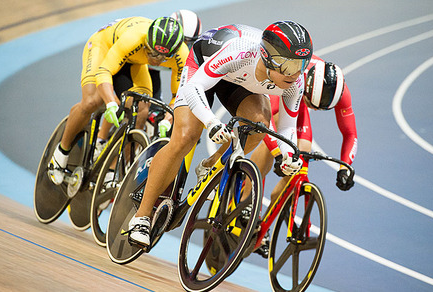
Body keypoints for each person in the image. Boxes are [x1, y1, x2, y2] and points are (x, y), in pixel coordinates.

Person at [127, 21, 314, 247]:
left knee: (259, 124)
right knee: (186, 137)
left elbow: (286, 127)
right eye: (287, 65)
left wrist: (288, 155)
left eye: (301, 64)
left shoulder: (296, 82)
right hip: (204, 68)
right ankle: (141, 217)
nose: (295, 73)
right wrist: (211, 122)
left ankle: (210, 165)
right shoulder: (242, 53)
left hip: (240, 82)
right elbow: (194, 88)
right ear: (267, 57)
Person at [48, 16, 188, 185]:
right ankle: (60, 153)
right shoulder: (134, 38)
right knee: (92, 101)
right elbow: (104, 71)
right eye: (152, 53)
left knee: (142, 109)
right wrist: (111, 102)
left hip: (135, 60)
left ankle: (110, 171)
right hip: (104, 47)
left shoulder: (182, 55)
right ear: (148, 42)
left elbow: (178, 95)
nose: (156, 60)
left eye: (162, 58)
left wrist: (168, 118)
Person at [248, 55, 358, 257]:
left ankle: (267, 219)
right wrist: (277, 153)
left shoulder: (340, 91)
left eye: (322, 109)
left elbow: (350, 134)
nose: (315, 109)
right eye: (312, 104)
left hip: (299, 98)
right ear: (306, 88)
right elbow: (267, 122)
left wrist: (345, 167)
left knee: (301, 155)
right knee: (274, 132)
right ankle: (248, 195)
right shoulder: (292, 75)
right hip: (277, 90)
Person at [92, 10, 203, 158]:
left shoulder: (180, 53)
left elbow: (180, 90)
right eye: (183, 41)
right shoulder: (155, 41)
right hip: (144, 65)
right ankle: (101, 137)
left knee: (152, 109)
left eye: (190, 42)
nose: (184, 45)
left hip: (153, 68)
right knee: (123, 100)